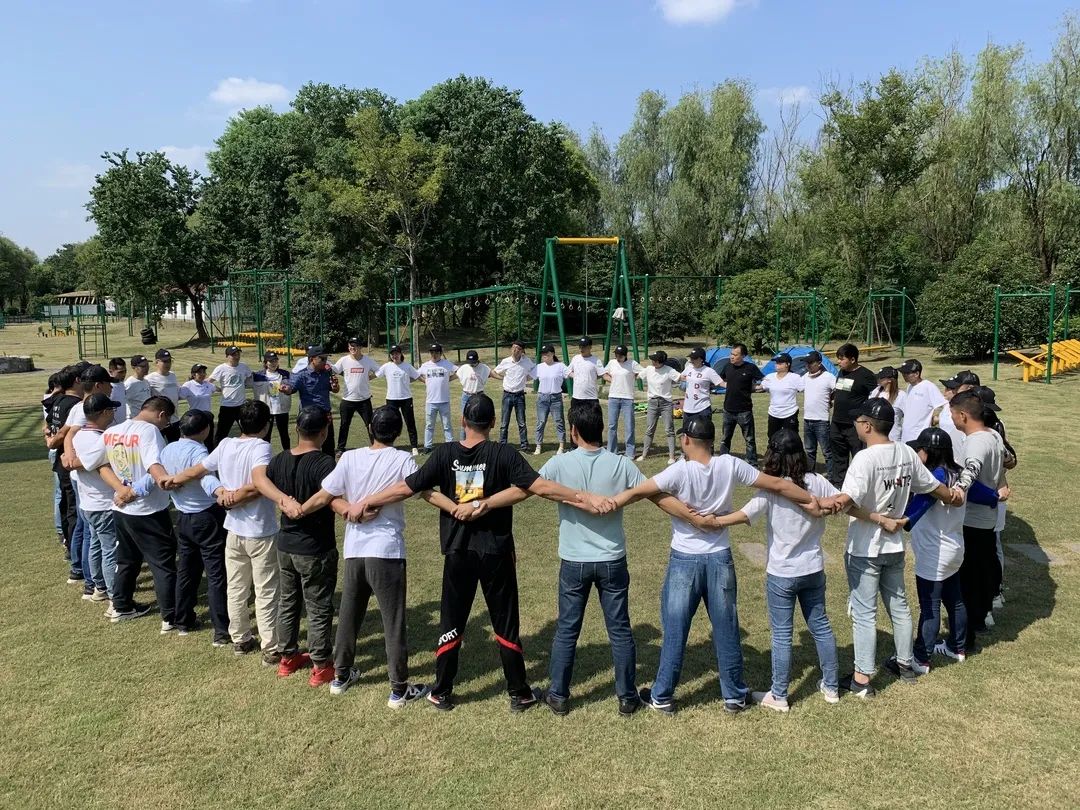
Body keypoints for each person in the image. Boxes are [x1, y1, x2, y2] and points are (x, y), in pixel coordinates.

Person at [354, 394, 600, 713]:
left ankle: (442, 691)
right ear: (494, 422)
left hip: (459, 552)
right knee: (505, 622)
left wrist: (368, 501)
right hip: (495, 553)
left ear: (462, 421)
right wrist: (582, 496)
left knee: (452, 619)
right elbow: (540, 487)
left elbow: (407, 487)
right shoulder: (503, 453)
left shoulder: (445, 454)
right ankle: (519, 692)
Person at [612, 415, 817, 715]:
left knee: (675, 628)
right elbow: (776, 484)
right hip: (720, 556)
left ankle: (662, 695)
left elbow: (640, 492)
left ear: (686, 440)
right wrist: (811, 499)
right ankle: (734, 695)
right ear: (711, 441)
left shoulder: (679, 470)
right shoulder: (729, 464)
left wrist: (611, 503)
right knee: (727, 627)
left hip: (685, 558)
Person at [820, 398, 960, 698]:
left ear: (867, 426)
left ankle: (861, 678)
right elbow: (932, 487)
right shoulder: (906, 452)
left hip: (865, 547)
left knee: (864, 612)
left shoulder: (864, 459)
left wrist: (832, 503)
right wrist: (953, 495)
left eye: (858, 421)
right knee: (899, 606)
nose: (855, 424)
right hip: (894, 546)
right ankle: (905, 663)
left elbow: (849, 502)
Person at [516, 402, 645, 716]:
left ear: (573, 431)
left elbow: (530, 488)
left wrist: (484, 503)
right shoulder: (621, 464)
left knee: (567, 629)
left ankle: (559, 695)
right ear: (602, 428)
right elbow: (647, 490)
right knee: (620, 630)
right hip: (612, 559)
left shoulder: (559, 463)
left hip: (574, 561)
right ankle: (627, 697)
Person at [305, 406, 439, 705]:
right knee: (393, 620)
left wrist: (308, 509)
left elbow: (327, 495)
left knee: (349, 616)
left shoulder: (350, 457)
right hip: (386, 550)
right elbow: (422, 490)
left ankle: (340, 676)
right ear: (399, 432)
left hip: (355, 549)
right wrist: (454, 506)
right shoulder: (402, 459)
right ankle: (399, 688)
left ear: (369, 429)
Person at [720, 430, 841, 711]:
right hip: (813, 568)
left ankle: (779, 695)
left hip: (782, 572)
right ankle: (832, 686)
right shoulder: (817, 481)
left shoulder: (772, 488)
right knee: (821, 626)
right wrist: (824, 507)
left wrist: (713, 520)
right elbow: (840, 499)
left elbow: (745, 515)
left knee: (782, 634)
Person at [165, 400, 282, 663]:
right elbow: (258, 483)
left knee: (236, 587)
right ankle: (271, 646)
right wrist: (234, 498)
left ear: (239, 422)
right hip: (259, 530)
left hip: (233, 530)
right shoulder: (261, 447)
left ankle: (240, 638)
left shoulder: (226, 443)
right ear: (266, 425)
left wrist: (173, 479)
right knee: (265, 589)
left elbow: (198, 470)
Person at [901, 428, 999, 673]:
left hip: (934, 553)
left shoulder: (933, 478)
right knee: (955, 601)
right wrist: (996, 495)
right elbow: (982, 493)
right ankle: (957, 647)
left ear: (928, 452)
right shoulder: (959, 473)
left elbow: (913, 513)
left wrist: (899, 521)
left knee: (930, 605)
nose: (916, 454)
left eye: (919, 449)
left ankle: (921, 658)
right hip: (955, 548)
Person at [264, 407, 340, 687]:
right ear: (324, 432)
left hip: (285, 545)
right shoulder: (324, 463)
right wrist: (302, 509)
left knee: (288, 602)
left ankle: (287, 657)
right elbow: (329, 495)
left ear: (297, 429)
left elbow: (264, 482)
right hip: (314, 547)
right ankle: (321, 665)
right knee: (318, 606)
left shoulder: (279, 459)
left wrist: (285, 503)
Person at [103, 396, 179, 627]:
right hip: (148, 509)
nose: (165, 426)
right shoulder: (150, 432)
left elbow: (101, 465)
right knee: (162, 563)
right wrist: (135, 492)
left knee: (127, 559)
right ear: (161, 414)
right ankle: (171, 616)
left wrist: (121, 491)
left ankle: (121, 605)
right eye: (167, 421)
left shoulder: (112, 431)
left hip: (121, 508)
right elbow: (154, 466)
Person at [950, 390, 1007, 652]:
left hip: (972, 518)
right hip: (987, 519)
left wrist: (957, 490)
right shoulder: (994, 435)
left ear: (963, 415)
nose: (952, 419)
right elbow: (1006, 461)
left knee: (968, 577)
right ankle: (980, 618)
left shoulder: (975, 442)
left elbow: (970, 470)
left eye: (952, 414)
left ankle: (967, 632)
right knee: (982, 570)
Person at [68, 393, 129, 611]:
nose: (113, 413)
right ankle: (115, 600)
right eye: (111, 410)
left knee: (96, 544)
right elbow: (96, 466)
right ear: (104, 412)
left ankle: (99, 587)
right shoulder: (101, 439)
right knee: (110, 549)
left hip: (88, 501)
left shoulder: (79, 435)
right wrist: (122, 489)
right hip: (103, 503)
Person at [45, 366, 84, 580]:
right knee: (74, 509)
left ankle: (69, 545)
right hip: (69, 460)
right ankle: (75, 554)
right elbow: (63, 432)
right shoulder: (74, 405)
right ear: (77, 380)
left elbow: (48, 425)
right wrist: (53, 441)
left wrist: (49, 439)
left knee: (66, 505)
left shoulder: (58, 400)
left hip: (61, 461)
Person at [829, 343, 877, 487]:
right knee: (838, 457)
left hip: (855, 425)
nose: (838, 361)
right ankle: (839, 484)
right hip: (837, 423)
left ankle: (858, 486)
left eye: (841, 358)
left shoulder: (866, 375)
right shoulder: (842, 372)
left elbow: (877, 395)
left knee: (858, 457)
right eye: (838, 358)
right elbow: (843, 391)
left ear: (853, 359)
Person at [279, 345, 338, 456]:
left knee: (329, 448)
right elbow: (291, 387)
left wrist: (335, 386)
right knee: (306, 450)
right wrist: (286, 389)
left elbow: (335, 389)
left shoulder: (327, 373)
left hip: (326, 415)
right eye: (322, 358)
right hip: (308, 418)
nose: (325, 362)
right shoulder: (302, 375)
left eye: (326, 358)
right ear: (312, 359)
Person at [718, 344, 763, 464]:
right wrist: (728, 385)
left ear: (743, 356)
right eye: (731, 354)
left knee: (749, 439)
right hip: (728, 410)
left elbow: (763, 381)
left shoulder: (751, 368)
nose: (731, 356)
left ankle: (752, 463)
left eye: (735, 354)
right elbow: (720, 380)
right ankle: (722, 462)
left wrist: (753, 388)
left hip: (744, 411)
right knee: (725, 438)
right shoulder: (727, 366)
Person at [332, 337, 379, 454]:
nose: (352, 348)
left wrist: (370, 377)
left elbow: (379, 371)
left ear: (360, 347)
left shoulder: (367, 361)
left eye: (355, 346)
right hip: (347, 399)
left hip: (364, 400)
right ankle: (340, 448)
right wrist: (327, 365)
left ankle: (376, 447)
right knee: (344, 425)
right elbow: (334, 370)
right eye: (350, 346)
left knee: (370, 425)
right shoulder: (343, 360)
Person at [491, 338, 536, 451]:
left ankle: (524, 445)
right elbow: (494, 372)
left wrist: (527, 378)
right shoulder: (506, 361)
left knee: (522, 422)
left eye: (518, 348)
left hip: (520, 395)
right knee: (504, 422)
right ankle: (502, 445)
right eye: (513, 348)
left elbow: (535, 370)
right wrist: (503, 378)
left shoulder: (527, 362)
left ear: (522, 351)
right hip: (507, 395)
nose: (515, 350)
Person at [636, 350, 681, 464]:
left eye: (655, 360)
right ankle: (644, 455)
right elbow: (637, 376)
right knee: (649, 429)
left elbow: (681, 377)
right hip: (652, 402)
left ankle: (672, 457)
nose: (652, 361)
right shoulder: (649, 369)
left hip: (666, 403)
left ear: (661, 361)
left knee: (669, 430)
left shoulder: (669, 370)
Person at [377, 345, 421, 455]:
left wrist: (427, 381)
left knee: (410, 423)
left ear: (401, 354)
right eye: (392, 354)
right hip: (391, 399)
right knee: (391, 423)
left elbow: (417, 376)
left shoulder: (407, 366)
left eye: (396, 353)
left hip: (406, 399)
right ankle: (389, 445)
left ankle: (414, 447)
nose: (394, 356)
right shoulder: (387, 366)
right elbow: (376, 374)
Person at [603, 345, 643, 458]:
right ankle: (612, 451)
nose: (618, 357)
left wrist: (634, 377)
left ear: (625, 355)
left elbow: (642, 373)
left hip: (627, 398)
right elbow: (604, 374)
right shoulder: (612, 363)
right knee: (612, 425)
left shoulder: (632, 364)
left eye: (620, 355)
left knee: (629, 426)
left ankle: (630, 452)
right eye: (616, 354)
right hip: (613, 397)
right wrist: (612, 380)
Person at [680, 347, 723, 452]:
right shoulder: (688, 368)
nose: (691, 360)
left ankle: (708, 454)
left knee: (705, 434)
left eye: (694, 358)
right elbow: (681, 377)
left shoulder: (709, 371)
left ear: (701, 359)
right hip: (688, 409)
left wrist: (736, 385)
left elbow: (721, 383)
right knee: (686, 434)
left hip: (702, 408)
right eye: (691, 358)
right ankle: (686, 454)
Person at [801, 350, 835, 479]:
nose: (808, 365)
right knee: (809, 451)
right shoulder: (805, 377)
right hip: (807, 420)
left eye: (810, 363)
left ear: (819, 363)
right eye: (806, 363)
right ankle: (810, 476)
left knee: (827, 452)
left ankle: (832, 477)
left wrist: (831, 399)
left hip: (821, 421)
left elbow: (838, 389)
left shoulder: (828, 377)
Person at [210, 346, 254, 444]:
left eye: (238, 354)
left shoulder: (244, 367)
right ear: (227, 356)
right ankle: (217, 451)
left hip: (241, 406)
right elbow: (209, 382)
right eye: (233, 354)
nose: (237, 356)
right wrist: (217, 389)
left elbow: (249, 377)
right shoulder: (221, 368)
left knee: (247, 432)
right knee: (221, 434)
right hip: (227, 407)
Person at [419, 343, 458, 453]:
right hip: (430, 402)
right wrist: (425, 381)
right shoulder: (425, 365)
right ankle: (427, 446)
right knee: (429, 426)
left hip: (444, 401)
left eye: (436, 352)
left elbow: (458, 371)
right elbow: (417, 375)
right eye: (432, 352)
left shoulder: (446, 364)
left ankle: (449, 445)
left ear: (440, 353)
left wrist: (449, 379)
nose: (434, 354)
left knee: (447, 425)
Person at [899, 359, 946, 443]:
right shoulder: (910, 387)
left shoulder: (928, 386)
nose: (904, 375)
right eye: (902, 373)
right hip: (906, 435)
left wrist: (937, 418)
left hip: (919, 436)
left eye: (907, 373)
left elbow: (945, 405)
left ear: (917, 374)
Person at [254, 351, 293, 450]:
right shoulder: (258, 375)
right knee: (266, 435)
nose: (274, 363)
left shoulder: (285, 374)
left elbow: (292, 386)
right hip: (266, 410)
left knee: (284, 434)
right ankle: (265, 454)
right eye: (271, 361)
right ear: (265, 363)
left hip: (282, 409)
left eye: (275, 360)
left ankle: (287, 454)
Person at [761, 352, 803, 440]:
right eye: (776, 362)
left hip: (790, 413)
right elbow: (760, 388)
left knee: (791, 439)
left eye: (780, 363)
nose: (777, 364)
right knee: (772, 439)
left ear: (788, 364)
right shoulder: (770, 377)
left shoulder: (795, 377)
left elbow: (806, 388)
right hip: (773, 413)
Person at [534, 344, 567, 455]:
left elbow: (570, 373)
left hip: (556, 398)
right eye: (543, 354)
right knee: (541, 422)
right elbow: (529, 376)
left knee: (559, 422)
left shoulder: (560, 366)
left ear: (552, 354)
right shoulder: (539, 367)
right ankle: (538, 445)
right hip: (542, 398)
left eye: (546, 353)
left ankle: (561, 446)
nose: (544, 356)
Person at [145, 348, 182, 442]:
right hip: (159, 421)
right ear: (157, 362)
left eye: (169, 361)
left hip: (174, 419)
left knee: (175, 446)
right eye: (165, 361)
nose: (168, 364)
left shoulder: (173, 375)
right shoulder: (149, 379)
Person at [456, 350, 491, 440]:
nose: (472, 364)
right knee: (464, 421)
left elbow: (492, 374)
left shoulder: (483, 368)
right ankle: (463, 442)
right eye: (470, 362)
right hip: (466, 396)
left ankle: (483, 442)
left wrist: (503, 377)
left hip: (479, 396)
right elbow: (455, 375)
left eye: (473, 362)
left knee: (481, 420)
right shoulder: (464, 368)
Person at [179, 364, 216, 448]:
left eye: (204, 372)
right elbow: (180, 396)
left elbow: (215, 388)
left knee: (209, 442)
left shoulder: (208, 384)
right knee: (194, 441)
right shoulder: (188, 385)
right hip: (195, 418)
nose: (202, 374)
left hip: (207, 417)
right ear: (193, 374)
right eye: (199, 372)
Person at [869, 366, 907, 443]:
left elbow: (908, 417)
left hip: (893, 438)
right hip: (875, 437)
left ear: (889, 380)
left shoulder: (901, 396)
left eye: (881, 377)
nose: (878, 379)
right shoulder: (876, 391)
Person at [567, 336, 602, 408]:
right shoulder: (575, 358)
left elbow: (601, 374)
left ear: (590, 347)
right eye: (580, 347)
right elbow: (568, 371)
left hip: (591, 398)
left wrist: (592, 377)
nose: (581, 349)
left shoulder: (596, 360)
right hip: (577, 397)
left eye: (584, 347)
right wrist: (575, 376)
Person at [107, 357, 128, 424]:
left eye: (125, 371)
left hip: (122, 424)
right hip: (111, 426)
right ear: (111, 371)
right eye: (120, 372)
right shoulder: (107, 387)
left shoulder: (122, 384)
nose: (124, 374)